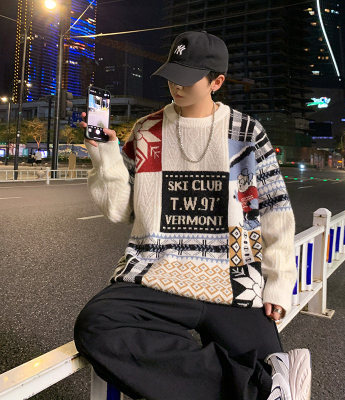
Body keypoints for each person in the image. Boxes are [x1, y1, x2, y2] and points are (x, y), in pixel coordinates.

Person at [74, 31, 311, 400]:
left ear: (217, 82)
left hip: (233, 278)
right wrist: (105, 155)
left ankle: (257, 383)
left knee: (265, 359)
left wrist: (279, 283)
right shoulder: (147, 130)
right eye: (172, 75)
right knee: (96, 326)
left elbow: (275, 212)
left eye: (187, 78)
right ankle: (258, 390)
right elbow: (119, 210)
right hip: (156, 272)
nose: (176, 86)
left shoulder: (247, 133)